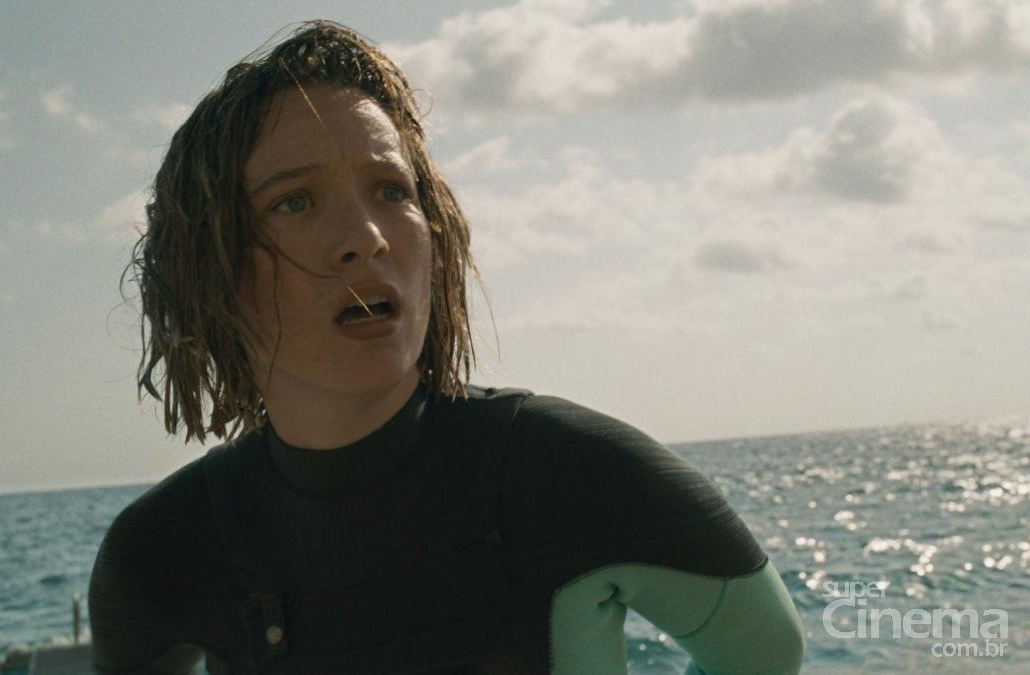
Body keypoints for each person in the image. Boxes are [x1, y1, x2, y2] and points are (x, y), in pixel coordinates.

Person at [89, 20, 805, 675]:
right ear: (210, 269)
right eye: (295, 201)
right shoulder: (162, 551)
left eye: (390, 190)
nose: (367, 237)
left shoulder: (576, 475)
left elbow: (767, 655)